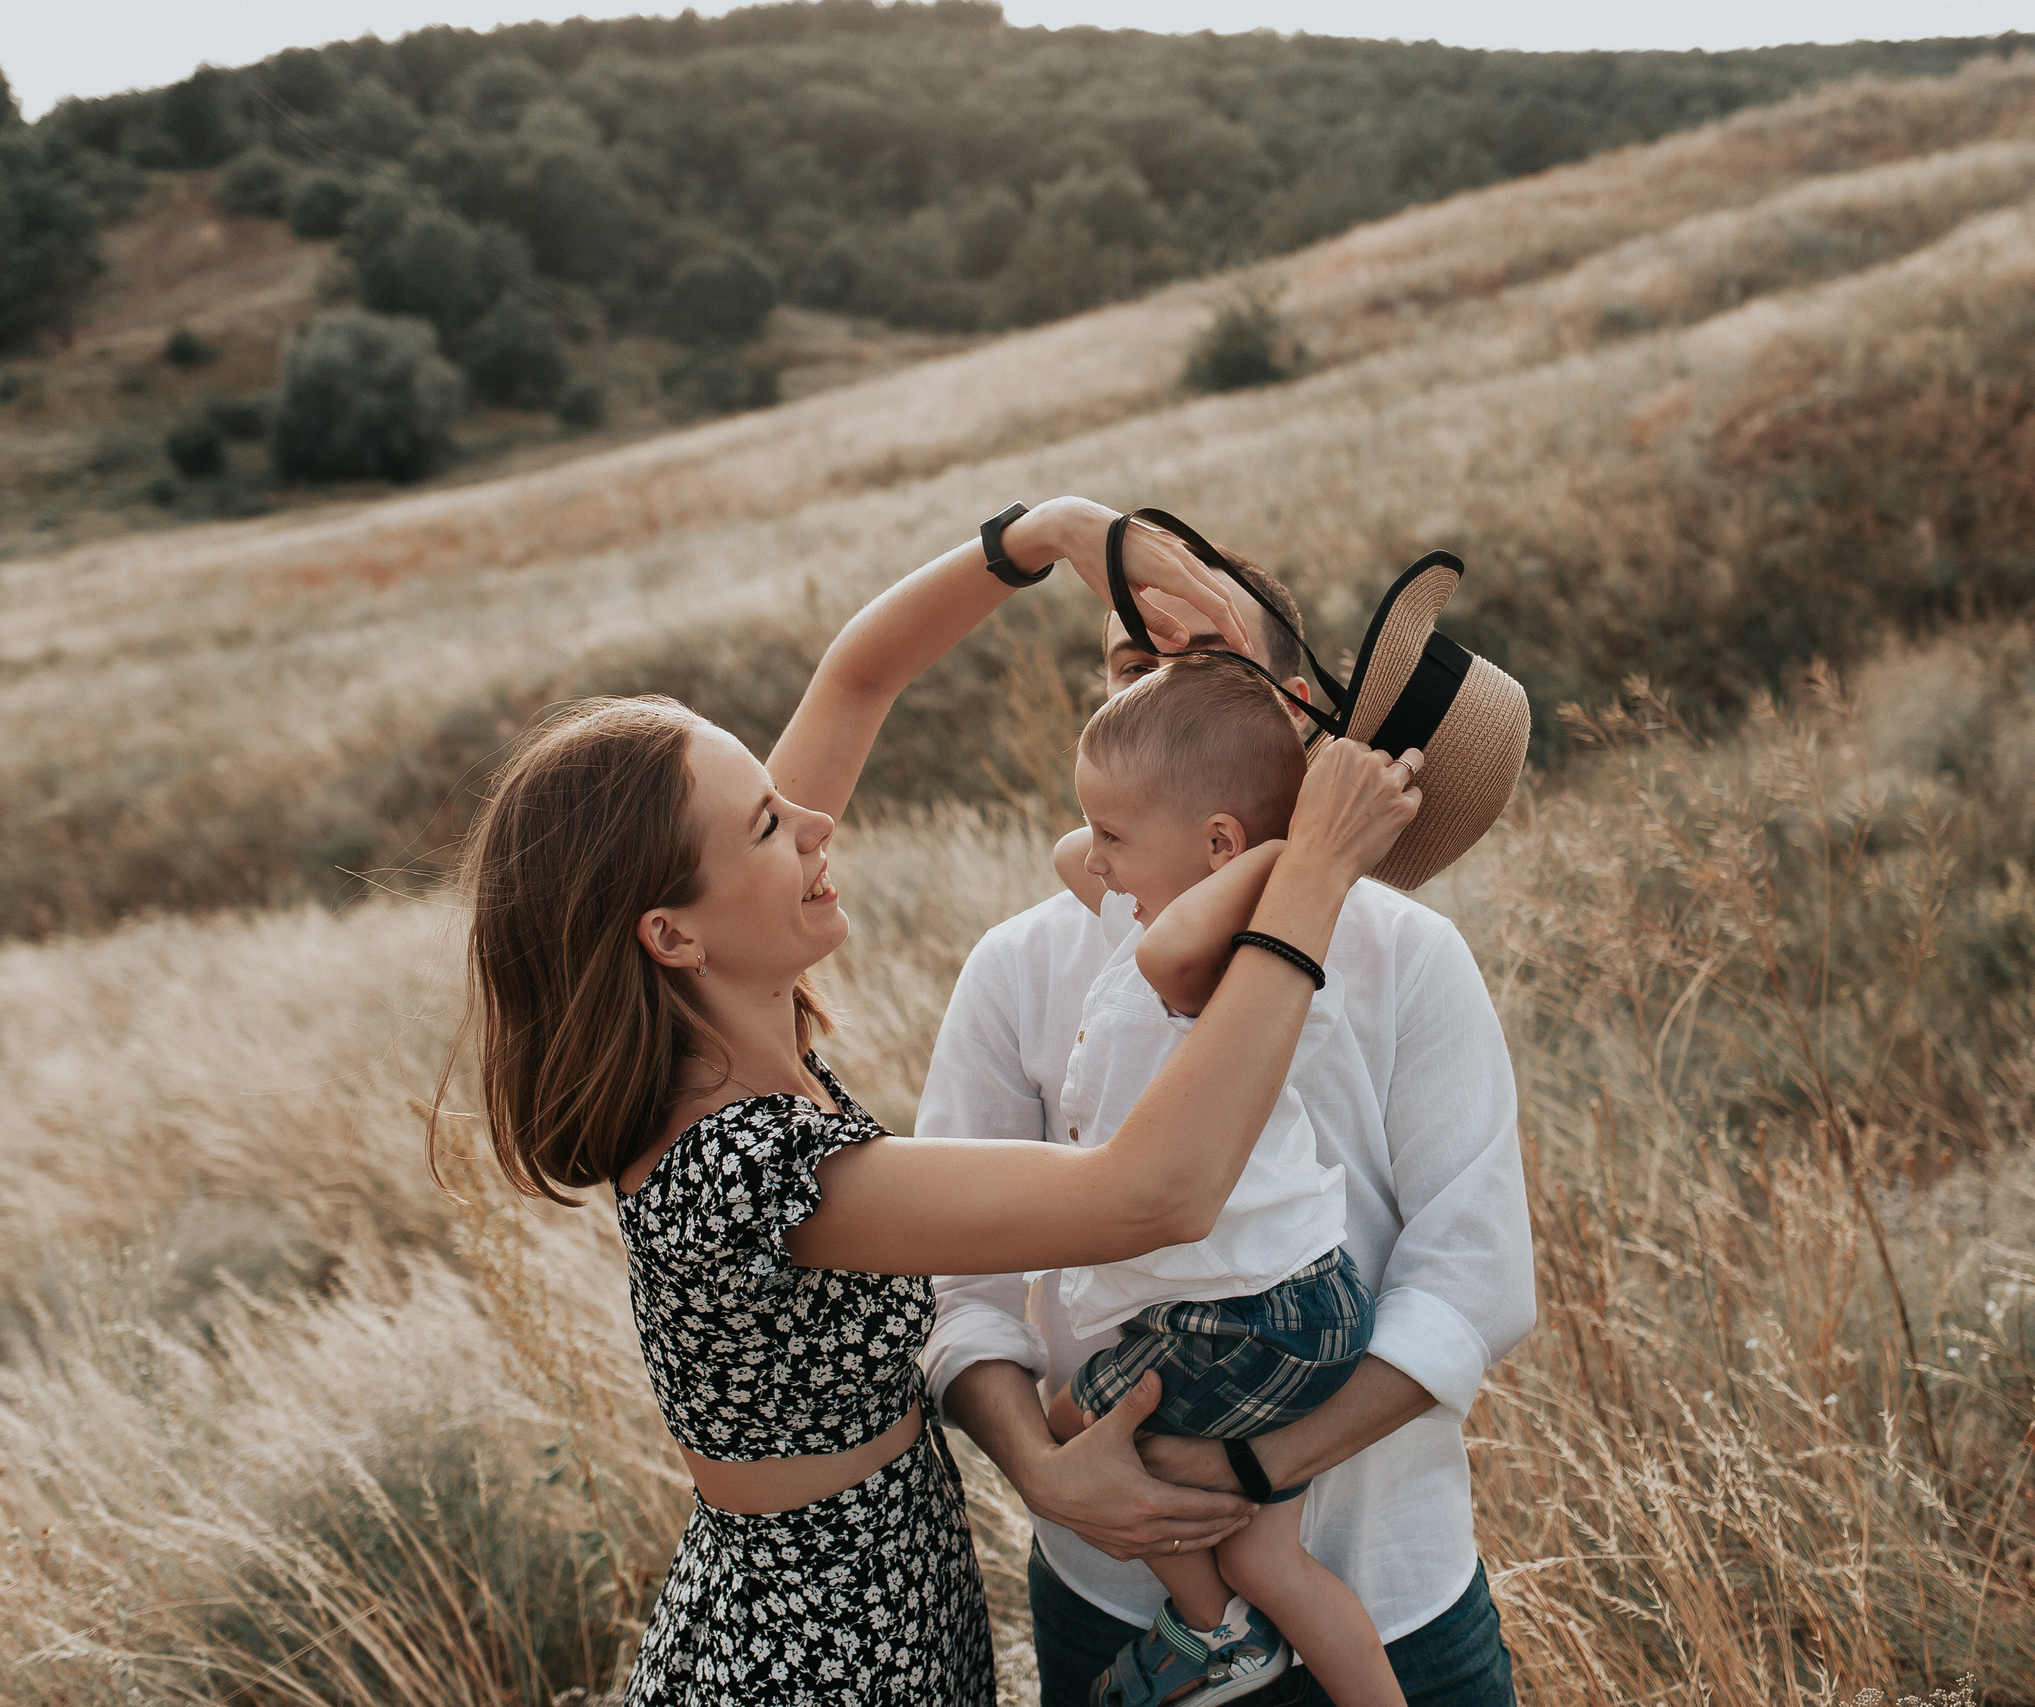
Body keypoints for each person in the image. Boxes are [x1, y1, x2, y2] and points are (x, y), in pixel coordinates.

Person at [432, 495, 1428, 1707]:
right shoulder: (742, 1166)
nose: (813, 823)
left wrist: (1058, 533)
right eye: (765, 825)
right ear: (671, 934)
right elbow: (1155, 1193)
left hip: (858, 1619)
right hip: (819, 1669)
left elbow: (858, 678)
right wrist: (1311, 876)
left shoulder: (718, 1026)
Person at [922, 547, 1536, 1707]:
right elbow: (965, 1295)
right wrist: (1049, 1477)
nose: (1156, 683)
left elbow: (1476, 1282)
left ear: (1284, 704)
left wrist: (1251, 1468)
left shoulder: (1407, 954)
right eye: (1127, 659)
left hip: (1395, 1595)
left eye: (1202, 656)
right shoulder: (1021, 966)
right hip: (1111, 1596)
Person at [1042, 654, 1402, 1707]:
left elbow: (1173, 949)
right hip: (1277, 1303)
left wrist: (1295, 854)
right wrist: (1136, 830)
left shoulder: (1232, 961)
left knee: (1072, 1413)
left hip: (1259, 1317)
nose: (1096, 862)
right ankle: (1251, 1623)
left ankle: (1213, 1633)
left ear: (1217, 847)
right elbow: (1075, 851)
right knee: (1269, 1557)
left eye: (1118, 838)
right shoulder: (1159, 920)